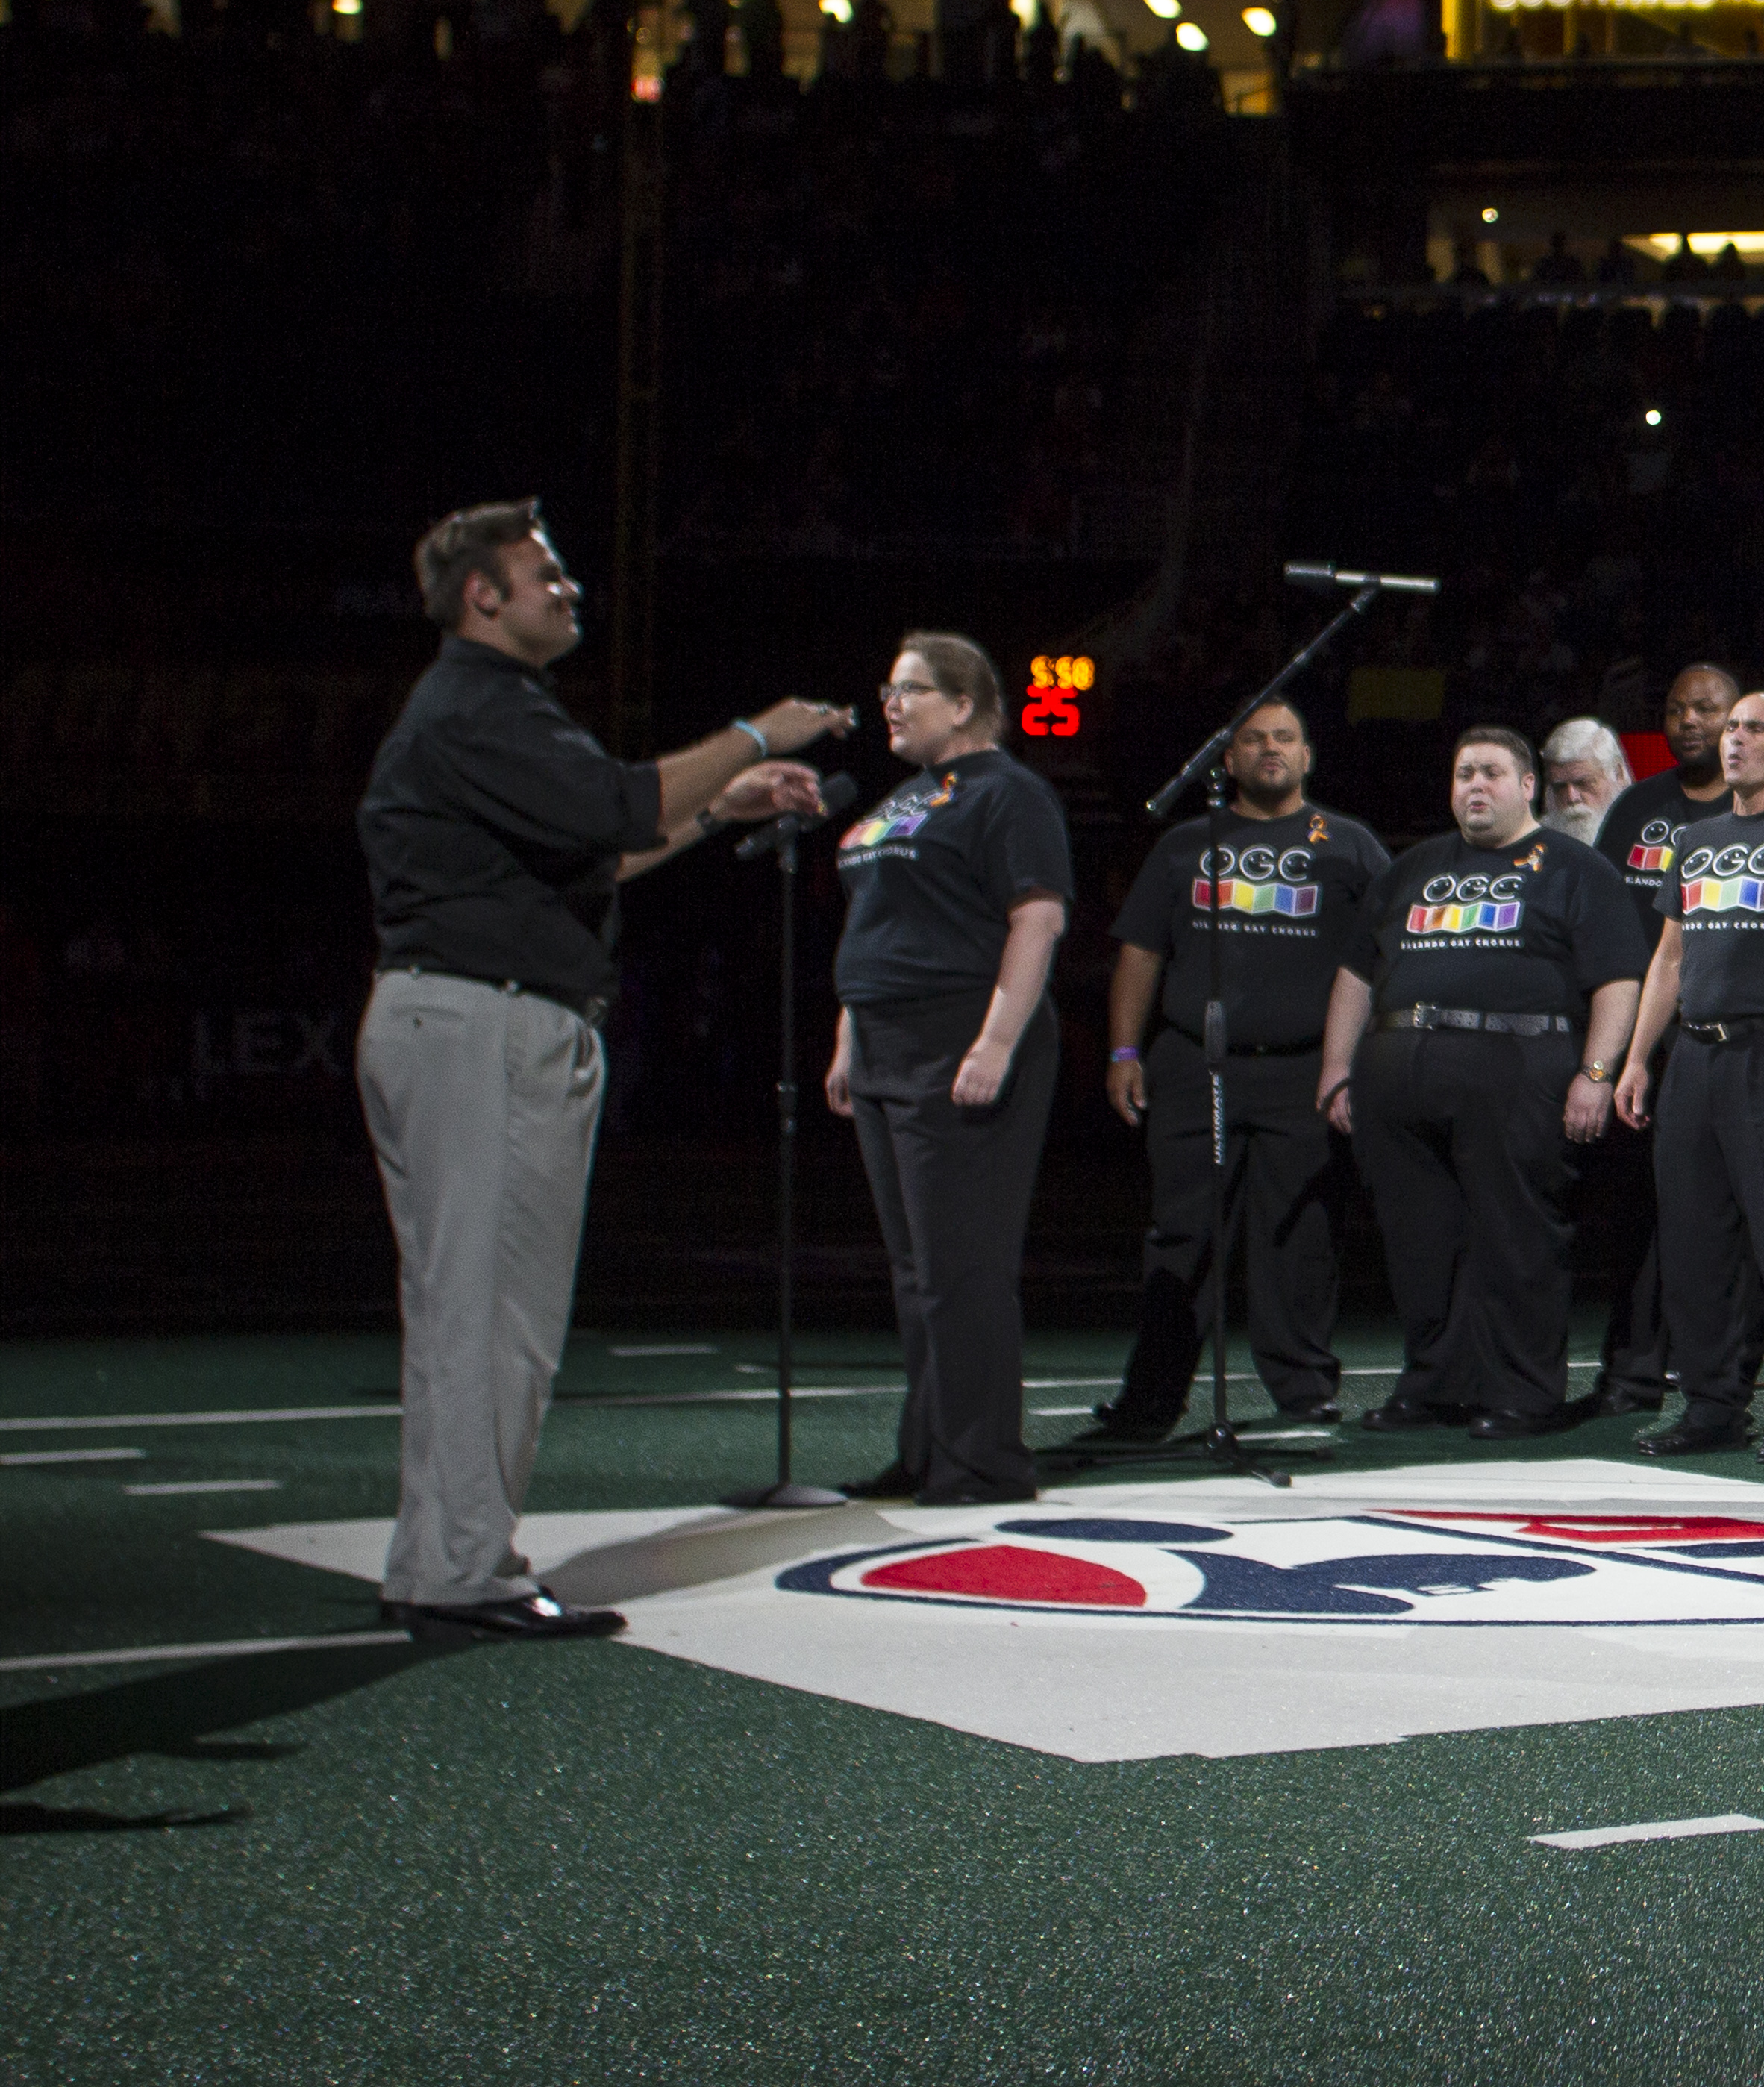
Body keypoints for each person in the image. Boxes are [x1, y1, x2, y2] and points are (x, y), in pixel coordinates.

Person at [355, 501, 842, 1638]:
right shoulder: (479, 706)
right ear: (484, 595)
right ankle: (464, 1570)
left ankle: (443, 1557)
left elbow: (597, 854)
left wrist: (721, 807)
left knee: (469, 1308)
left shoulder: (488, 710)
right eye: (546, 574)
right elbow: (620, 806)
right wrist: (761, 735)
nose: (570, 589)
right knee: (491, 1310)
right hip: (483, 1023)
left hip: (467, 1018)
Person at [1323, 728, 1644, 1434]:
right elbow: (1355, 972)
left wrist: (1597, 1072)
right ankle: (1434, 1385)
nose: (1475, 785)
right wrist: (1335, 1071)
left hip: (1518, 1068)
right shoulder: (1412, 869)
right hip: (1399, 1071)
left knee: (1517, 1236)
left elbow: (1619, 978)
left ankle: (1524, 1392)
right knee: (1420, 1239)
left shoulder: (1575, 868)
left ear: (1528, 785)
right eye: (1464, 771)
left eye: (1492, 772)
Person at [1090, 701, 1386, 1443]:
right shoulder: (1187, 844)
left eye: (1285, 736)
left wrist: (1355, 1063)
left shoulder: (1351, 844)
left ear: (1308, 754)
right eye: (1252, 740)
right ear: (1227, 761)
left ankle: (1303, 1391)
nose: (1269, 749)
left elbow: (1385, 955)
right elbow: (1141, 951)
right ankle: (1151, 1400)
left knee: (1303, 1233)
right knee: (1183, 1233)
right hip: (1197, 1064)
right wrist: (1124, 1051)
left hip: (1306, 1072)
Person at [829, 631, 1075, 1506]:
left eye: (912, 690)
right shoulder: (904, 797)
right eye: (890, 689)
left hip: (960, 1034)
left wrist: (996, 1041)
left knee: (962, 1263)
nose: (891, 703)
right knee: (914, 1265)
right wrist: (848, 1039)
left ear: (964, 704)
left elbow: (1036, 918)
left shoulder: (1010, 793)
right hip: (886, 1043)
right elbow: (879, 923)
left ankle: (983, 1461)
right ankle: (930, 1447)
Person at [1615, 691, 1764, 1459]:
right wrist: (1633, 1059)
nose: (1735, 740)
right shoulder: (1694, 839)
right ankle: (1712, 1406)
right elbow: (1668, 957)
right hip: (1693, 1053)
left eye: (1756, 729)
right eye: (1731, 729)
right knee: (1693, 1240)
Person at [1587, 663, 1738, 1415]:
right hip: (1646, 1042)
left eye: (1705, 708)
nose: (1687, 721)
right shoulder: (1635, 810)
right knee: (1636, 1212)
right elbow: (1609, 925)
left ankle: (1724, 1372)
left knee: (1726, 1211)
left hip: (1733, 1041)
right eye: (1676, 708)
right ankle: (1634, 1368)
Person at [1539, 716, 1627, 846]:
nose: (1572, 798)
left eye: (1584, 783)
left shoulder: (1646, 833)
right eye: (1560, 787)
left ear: (1618, 775)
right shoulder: (1535, 848)